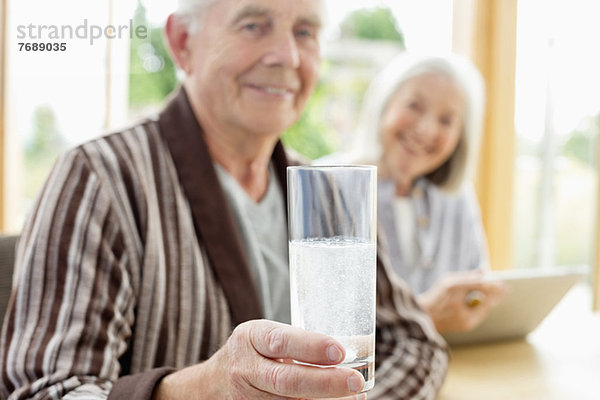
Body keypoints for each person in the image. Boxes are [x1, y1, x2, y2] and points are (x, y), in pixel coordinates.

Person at [0, 2, 448, 400]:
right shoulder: (100, 178)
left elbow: (417, 344)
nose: (287, 57)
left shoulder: (327, 191)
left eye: (305, 32)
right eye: (254, 25)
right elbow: (49, 390)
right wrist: (204, 390)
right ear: (182, 43)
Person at [346, 53, 508, 334]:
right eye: (414, 106)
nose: (425, 129)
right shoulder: (331, 185)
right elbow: (322, 322)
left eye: (446, 120)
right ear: (385, 105)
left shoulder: (457, 198)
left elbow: (475, 292)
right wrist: (421, 315)